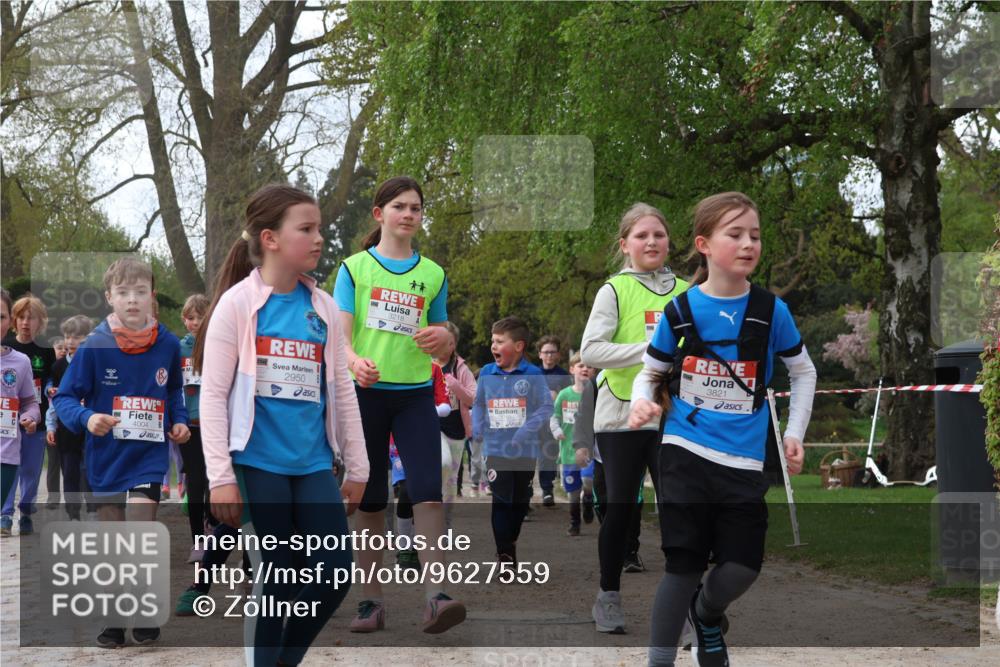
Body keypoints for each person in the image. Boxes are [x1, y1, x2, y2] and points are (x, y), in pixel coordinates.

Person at [629, 192, 817, 667]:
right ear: (704, 244)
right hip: (684, 450)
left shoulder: (772, 311)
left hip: (745, 459)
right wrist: (641, 402)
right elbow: (650, 372)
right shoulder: (680, 311)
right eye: (735, 234)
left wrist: (794, 433)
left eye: (755, 235)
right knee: (683, 564)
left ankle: (706, 615)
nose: (749, 244)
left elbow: (803, 371)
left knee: (742, 568)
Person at [194, 184, 368, 665]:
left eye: (320, 229)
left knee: (335, 574)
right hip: (257, 466)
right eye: (306, 229)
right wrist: (221, 477)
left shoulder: (324, 307)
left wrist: (359, 467)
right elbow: (213, 396)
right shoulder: (237, 304)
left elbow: (342, 390)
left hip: (313, 467)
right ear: (270, 239)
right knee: (276, 575)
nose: (319, 239)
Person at [333, 176, 466, 634]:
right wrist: (355, 363)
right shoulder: (354, 269)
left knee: (427, 489)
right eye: (399, 207)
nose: (408, 214)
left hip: (414, 395)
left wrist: (443, 339)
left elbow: (443, 337)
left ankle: (437, 597)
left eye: (415, 208)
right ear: (379, 214)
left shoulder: (434, 274)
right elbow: (340, 339)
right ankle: (371, 602)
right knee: (371, 500)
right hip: (366, 395)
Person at [53, 257, 190, 648]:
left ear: (152, 297)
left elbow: (174, 390)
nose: (133, 300)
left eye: (140, 292)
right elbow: (65, 398)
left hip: (148, 455)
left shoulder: (167, 343)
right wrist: (87, 418)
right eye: (124, 292)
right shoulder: (95, 345)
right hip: (107, 456)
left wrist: (179, 421)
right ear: (109, 297)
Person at [580, 202, 689, 633]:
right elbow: (591, 350)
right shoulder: (614, 290)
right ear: (625, 244)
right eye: (641, 235)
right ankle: (608, 597)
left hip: (675, 414)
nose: (651, 242)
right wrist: (652, 351)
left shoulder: (688, 291)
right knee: (621, 510)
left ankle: (688, 609)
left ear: (669, 242)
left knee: (680, 510)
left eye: (658, 234)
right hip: (622, 415)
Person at [472, 316, 552, 563]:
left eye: (499, 341)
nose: (493, 346)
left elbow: (546, 407)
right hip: (496, 448)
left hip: (525, 450)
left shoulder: (533, 373)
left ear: (518, 346)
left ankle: (510, 542)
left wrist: (525, 431)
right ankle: (504, 555)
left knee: (520, 502)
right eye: (493, 341)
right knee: (501, 500)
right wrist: (477, 427)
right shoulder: (487, 372)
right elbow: (479, 403)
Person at [1, 295, 56, 536]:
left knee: (31, 471)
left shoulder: (45, 351)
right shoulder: (7, 344)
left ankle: (26, 512)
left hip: (35, 420)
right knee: (8, 466)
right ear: (14, 321)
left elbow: (52, 379)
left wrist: (51, 390)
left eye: (31, 318)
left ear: (40, 322)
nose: (25, 322)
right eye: (21, 317)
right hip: (7, 423)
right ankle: (5, 515)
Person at [46, 315, 95, 520]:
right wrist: (51, 426)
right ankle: (73, 514)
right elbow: (54, 400)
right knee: (70, 472)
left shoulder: (95, 363)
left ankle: (93, 511)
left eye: (77, 337)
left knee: (90, 471)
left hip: (91, 428)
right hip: (66, 429)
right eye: (67, 336)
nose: (71, 341)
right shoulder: (58, 367)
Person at [1, 289, 41, 512]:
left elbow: (30, 402)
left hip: (5, 454)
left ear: (9, 321)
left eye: (1, 317)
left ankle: (12, 515)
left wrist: (29, 416)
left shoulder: (21, 361)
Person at [178, 293, 211, 563]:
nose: (196, 322)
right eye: (190, 318)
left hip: (215, 425)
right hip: (189, 426)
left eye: (201, 317)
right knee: (196, 481)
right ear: (184, 320)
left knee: (214, 481)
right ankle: (197, 539)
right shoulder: (179, 349)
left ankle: (212, 527)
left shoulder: (219, 345)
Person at [433, 322, 477, 510]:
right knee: (443, 463)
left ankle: (445, 524)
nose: (446, 347)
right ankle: (429, 503)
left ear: (455, 344)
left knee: (451, 482)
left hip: (457, 429)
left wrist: (456, 386)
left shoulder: (460, 368)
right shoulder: (425, 365)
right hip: (432, 426)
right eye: (443, 342)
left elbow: (473, 398)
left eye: (450, 343)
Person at [550, 352, 591, 535]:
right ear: (572, 369)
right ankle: (575, 522)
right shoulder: (564, 394)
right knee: (573, 492)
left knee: (588, 481)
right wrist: (556, 430)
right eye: (581, 365)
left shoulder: (595, 393)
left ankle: (588, 499)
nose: (585, 369)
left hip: (589, 450)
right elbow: (554, 417)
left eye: (588, 366)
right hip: (568, 451)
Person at [535, 335, 570, 507]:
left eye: (552, 352)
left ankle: (547, 490)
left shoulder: (564, 376)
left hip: (553, 422)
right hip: (533, 420)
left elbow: (571, 398)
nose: (549, 355)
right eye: (546, 352)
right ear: (540, 354)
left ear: (558, 355)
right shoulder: (532, 373)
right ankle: (525, 493)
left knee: (547, 456)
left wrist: (557, 399)